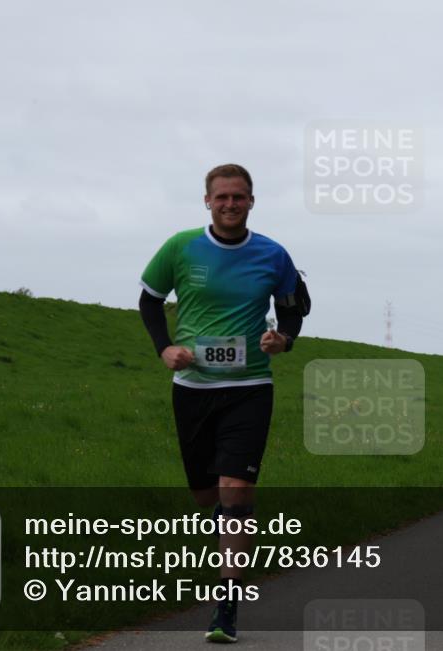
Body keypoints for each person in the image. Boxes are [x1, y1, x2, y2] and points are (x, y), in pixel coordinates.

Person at [138, 164, 309, 643]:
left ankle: (227, 603)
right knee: (205, 495)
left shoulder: (272, 254)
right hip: (193, 388)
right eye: (222, 197)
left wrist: (284, 339)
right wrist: (164, 348)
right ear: (207, 201)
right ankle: (232, 528)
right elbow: (149, 301)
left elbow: (294, 307)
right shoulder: (180, 247)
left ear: (252, 201)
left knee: (235, 488)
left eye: (239, 197)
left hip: (251, 386)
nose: (230, 204)